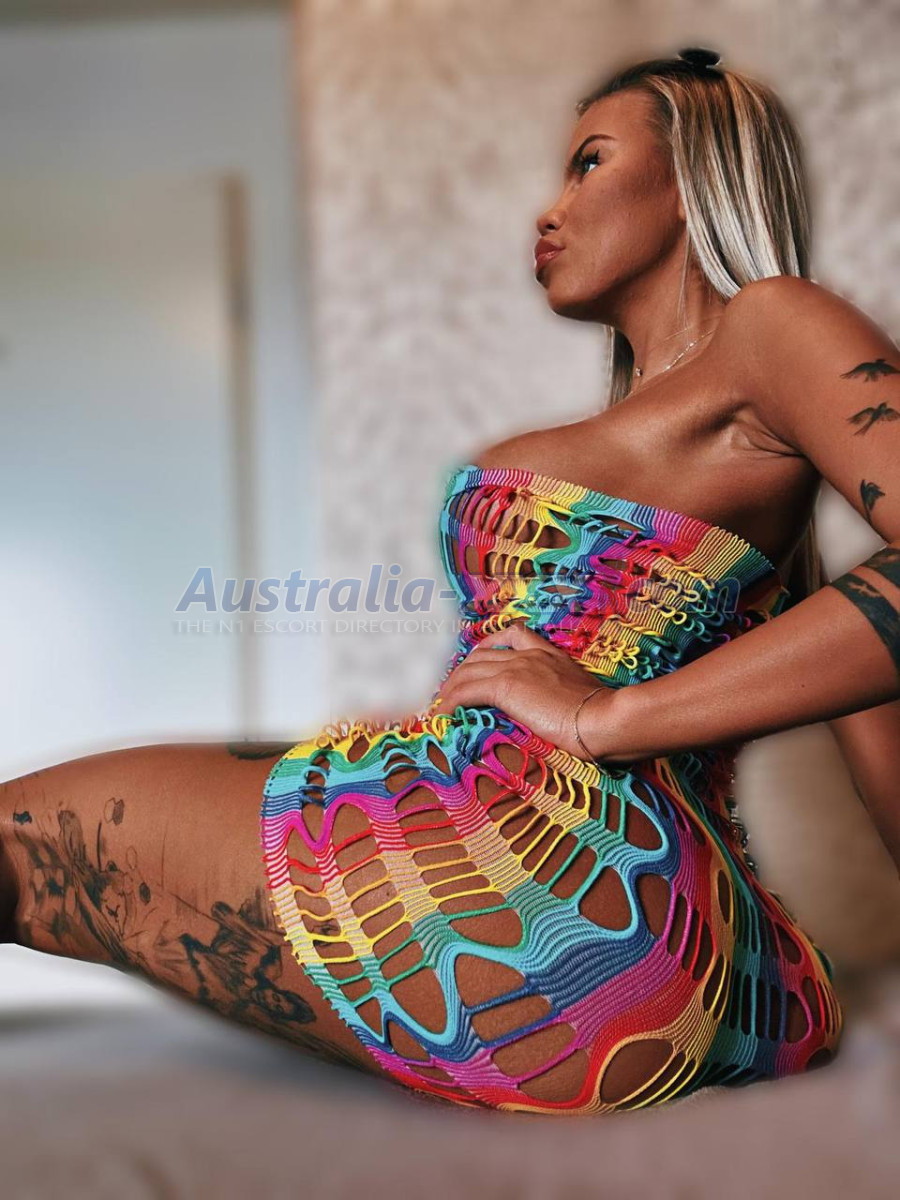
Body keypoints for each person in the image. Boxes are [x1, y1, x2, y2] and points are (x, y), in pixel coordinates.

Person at [1, 46, 898, 1116]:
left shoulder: (774, 322)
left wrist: (609, 718)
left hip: (544, 891)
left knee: (17, 849)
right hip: (682, 960)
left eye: (590, 162)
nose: (549, 210)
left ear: (694, 178)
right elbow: (869, 679)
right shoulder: (731, 493)